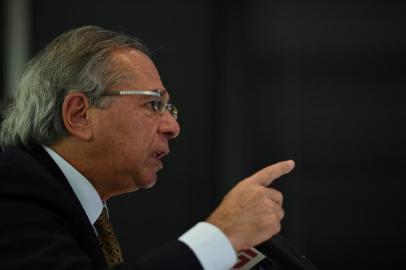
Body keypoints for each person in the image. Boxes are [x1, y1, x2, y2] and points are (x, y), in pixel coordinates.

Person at [0, 26, 295, 270]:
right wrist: (221, 235)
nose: (173, 127)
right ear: (79, 114)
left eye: (169, 108)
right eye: (154, 104)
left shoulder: (71, 208)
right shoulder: (12, 185)